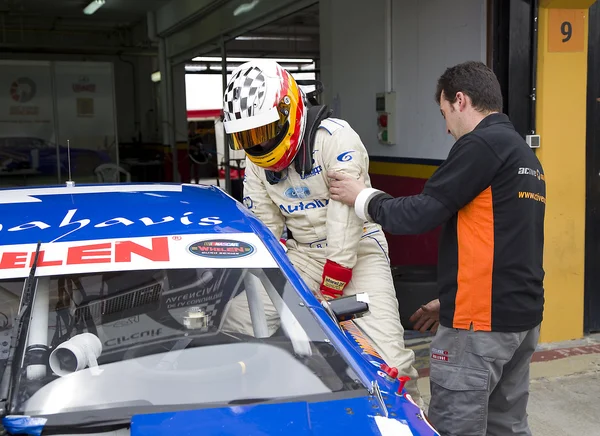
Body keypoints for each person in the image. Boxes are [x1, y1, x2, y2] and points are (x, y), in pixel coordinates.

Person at [327, 60, 545, 436]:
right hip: (520, 323)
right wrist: (450, 299)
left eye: (444, 113)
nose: (446, 127)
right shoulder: (526, 157)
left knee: (454, 428)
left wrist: (362, 197)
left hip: (479, 328)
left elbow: (419, 214)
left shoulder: (481, 145)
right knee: (506, 428)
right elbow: (512, 247)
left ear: (460, 100)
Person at [220, 59, 423, 406]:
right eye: (248, 137)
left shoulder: (335, 138)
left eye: (264, 131)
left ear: (289, 109)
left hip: (359, 251)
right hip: (304, 254)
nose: (258, 143)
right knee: (237, 320)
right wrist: (262, 278)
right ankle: (261, 406)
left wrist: (330, 290)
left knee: (390, 359)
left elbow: (345, 217)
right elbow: (265, 231)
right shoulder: (256, 164)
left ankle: (412, 419)